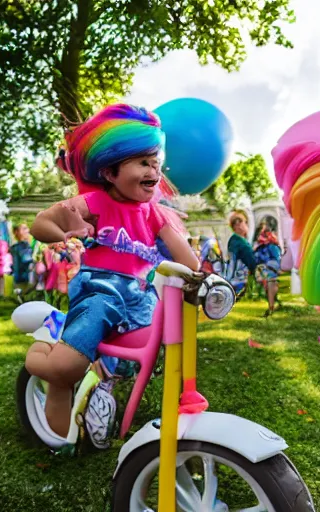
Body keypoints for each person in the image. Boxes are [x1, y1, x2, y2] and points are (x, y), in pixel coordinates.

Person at [25, 104, 199, 438]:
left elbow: (186, 258)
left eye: (156, 164)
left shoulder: (155, 215)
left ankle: (102, 388)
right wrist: (63, 233)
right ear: (110, 173)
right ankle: (43, 351)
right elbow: (42, 222)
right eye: (144, 163)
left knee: (158, 347)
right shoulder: (95, 203)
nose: (154, 172)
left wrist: (203, 278)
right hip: (100, 293)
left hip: (139, 299)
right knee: (65, 368)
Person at [254, 224, 282, 317]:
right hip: (263, 269)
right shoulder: (260, 246)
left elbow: (276, 258)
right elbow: (257, 258)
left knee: (270, 284)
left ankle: (271, 307)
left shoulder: (272, 244)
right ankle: (275, 303)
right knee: (266, 286)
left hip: (270, 268)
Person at [226, 211, 256, 297]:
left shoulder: (236, 239)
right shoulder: (238, 242)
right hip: (240, 277)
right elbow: (250, 260)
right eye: (245, 223)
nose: (246, 226)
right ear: (237, 225)